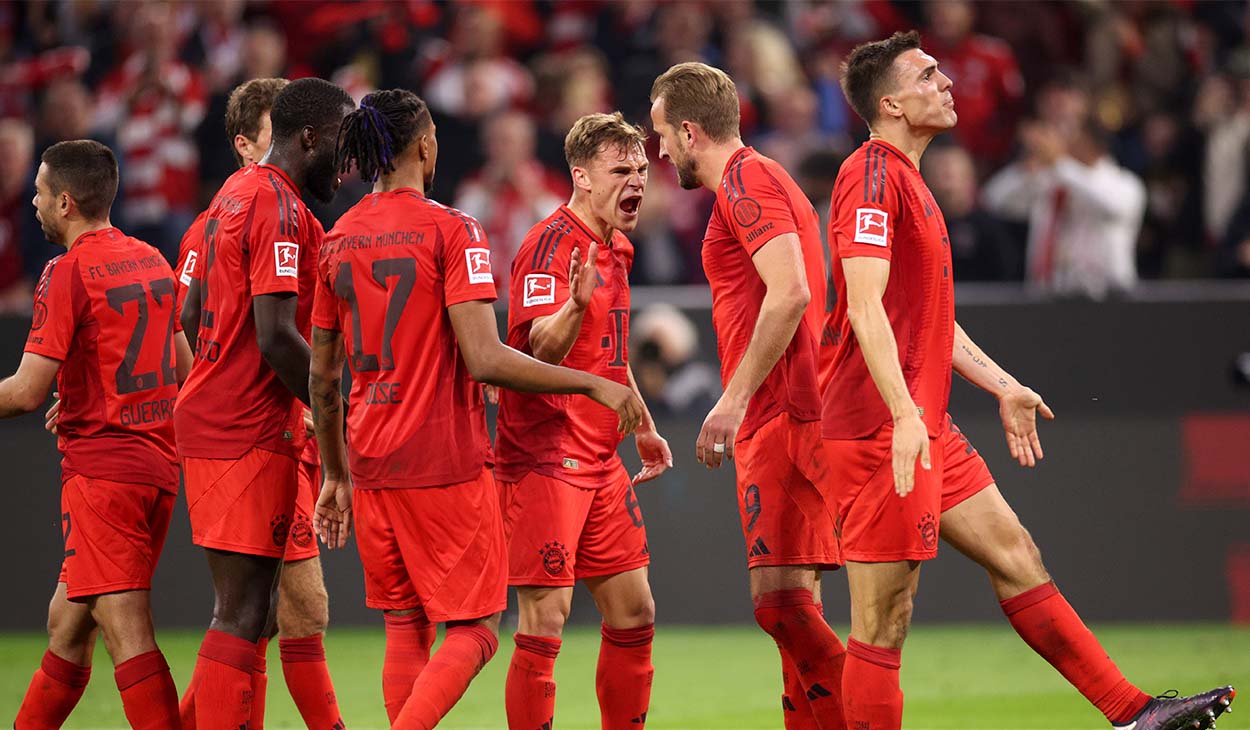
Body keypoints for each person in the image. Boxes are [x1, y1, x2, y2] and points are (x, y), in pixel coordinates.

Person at [824, 30, 1235, 730]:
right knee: (884, 619)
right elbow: (864, 306)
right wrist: (900, 415)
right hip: (877, 428)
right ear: (889, 104)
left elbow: (924, 319)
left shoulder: (909, 179)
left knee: (1017, 553)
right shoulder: (870, 176)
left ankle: (1134, 715)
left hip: (924, 423)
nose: (946, 83)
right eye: (927, 76)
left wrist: (1002, 384)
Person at [311, 89, 643, 729]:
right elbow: (487, 359)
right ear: (425, 146)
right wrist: (590, 385)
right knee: (478, 627)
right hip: (443, 455)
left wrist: (334, 472)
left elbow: (323, 377)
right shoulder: (452, 229)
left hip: (370, 455)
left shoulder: (337, 239)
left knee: (406, 627)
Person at [650, 62, 848, 729]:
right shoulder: (750, 179)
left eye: (661, 136)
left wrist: (732, 399)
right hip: (781, 409)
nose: (659, 153)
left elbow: (790, 291)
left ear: (687, 129)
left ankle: (870, 711)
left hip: (783, 411)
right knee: (791, 609)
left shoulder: (748, 179)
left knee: (782, 609)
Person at [172, 77, 354, 729]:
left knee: (259, 612)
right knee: (244, 611)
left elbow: (190, 312)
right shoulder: (275, 205)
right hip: (244, 431)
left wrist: (219, 378)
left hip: (238, 424)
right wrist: (339, 406)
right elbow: (276, 335)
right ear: (311, 137)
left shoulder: (234, 194)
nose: (349, 160)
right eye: (342, 143)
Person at [8, 140, 191, 729]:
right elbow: (183, 371)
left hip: (104, 477)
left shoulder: (66, 272)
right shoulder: (152, 260)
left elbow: (25, 391)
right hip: (156, 471)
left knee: (127, 629)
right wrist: (93, 392)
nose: (32, 202)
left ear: (64, 202)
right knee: (68, 624)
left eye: (38, 191)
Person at [496, 112, 668, 730]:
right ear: (581, 177)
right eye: (621, 170)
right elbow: (538, 350)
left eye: (643, 169)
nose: (637, 182)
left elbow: (609, 355)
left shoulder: (618, 246)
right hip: (544, 456)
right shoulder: (550, 245)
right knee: (544, 618)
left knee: (635, 612)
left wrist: (641, 421)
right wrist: (574, 302)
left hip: (599, 458)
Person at [981, 115, 1146, 298]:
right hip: (1046, 296)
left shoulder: (1124, 183)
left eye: (1070, 137)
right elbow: (994, 200)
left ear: (1092, 143)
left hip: (1108, 298)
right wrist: (1026, 169)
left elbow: (1111, 205)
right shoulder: (1051, 181)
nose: (1062, 145)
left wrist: (1060, 163)